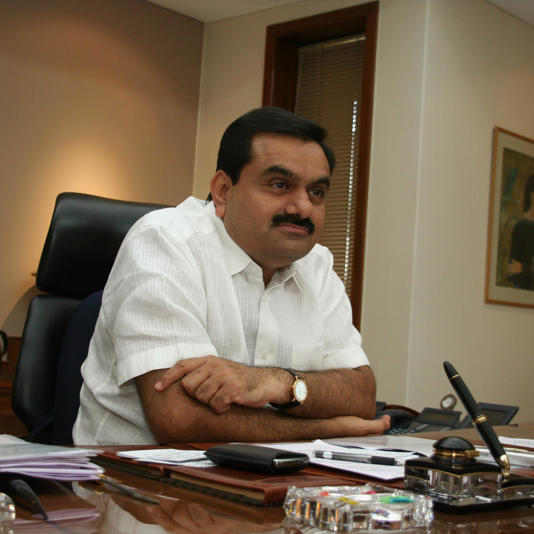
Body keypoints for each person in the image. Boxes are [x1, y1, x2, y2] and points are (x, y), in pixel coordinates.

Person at [73, 107, 389, 445]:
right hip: (136, 485)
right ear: (223, 190)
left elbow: (360, 394)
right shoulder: (165, 241)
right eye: (279, 185)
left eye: (316, 192)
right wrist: (325, 429)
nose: (302, 208)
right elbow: (180, 421)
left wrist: (275, 383)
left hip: (273, 482)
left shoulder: (317, 264)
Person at [506, 174, 534, 290]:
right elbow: (511, 271)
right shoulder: (520, 227)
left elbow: (519, 268)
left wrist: (523, 268)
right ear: (532, 195)